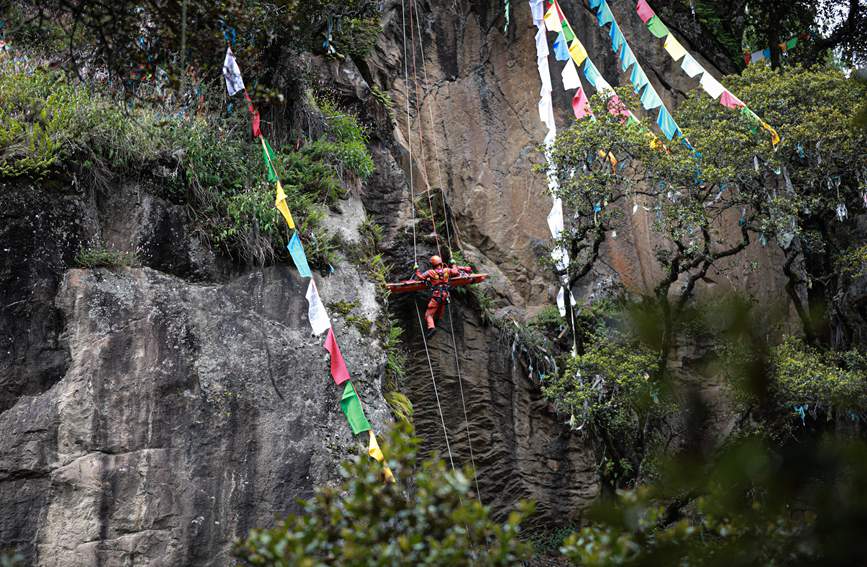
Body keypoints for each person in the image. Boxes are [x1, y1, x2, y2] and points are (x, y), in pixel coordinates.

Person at [414, 255, 472, 338]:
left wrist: (416, 270)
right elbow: (456, 272)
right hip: (445, 296)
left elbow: (420, 277)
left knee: (428, 315)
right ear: (440, 263)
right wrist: (453, 264)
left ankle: (431, 327)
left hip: (436, 296)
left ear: (432, 264)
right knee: (439, 310)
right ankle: (437, 321)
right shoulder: (446, 270)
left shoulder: (430, 272)